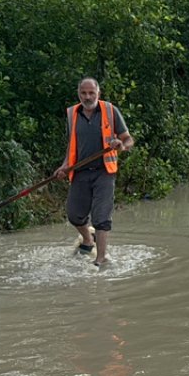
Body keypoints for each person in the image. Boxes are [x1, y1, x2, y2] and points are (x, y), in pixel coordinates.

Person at [54, 78, 134, 266]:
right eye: (84, 93)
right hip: (80, 172)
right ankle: (89, 240)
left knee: (101, 216)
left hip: (104, 172)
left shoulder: (110, 110)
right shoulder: (72, 113)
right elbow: (71, 145)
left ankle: (101, 258)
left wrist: (120, 145)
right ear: (78, 94)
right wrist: (64, 166)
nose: (88, 97)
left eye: (91, 93)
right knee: (74, 214)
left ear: (98, 93)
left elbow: (128, 139)